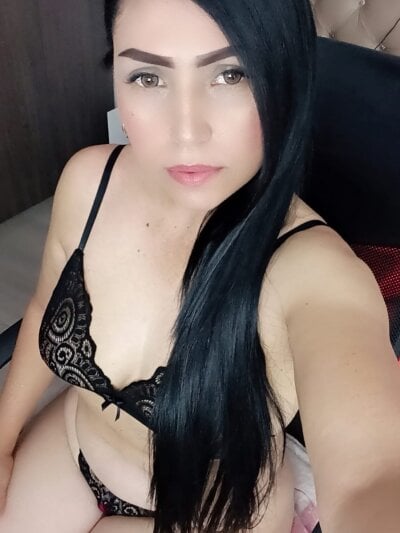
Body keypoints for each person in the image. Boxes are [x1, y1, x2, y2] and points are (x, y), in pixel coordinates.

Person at [1, 0, 400, 531]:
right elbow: (43, 305)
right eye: (148, 77)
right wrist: (1, 440)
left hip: (216, 515)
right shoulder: (90, 181)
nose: (186, 133)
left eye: (231, 74)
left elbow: (372, 478)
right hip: (77, 447)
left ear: (285, 77)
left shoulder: (313, 272)